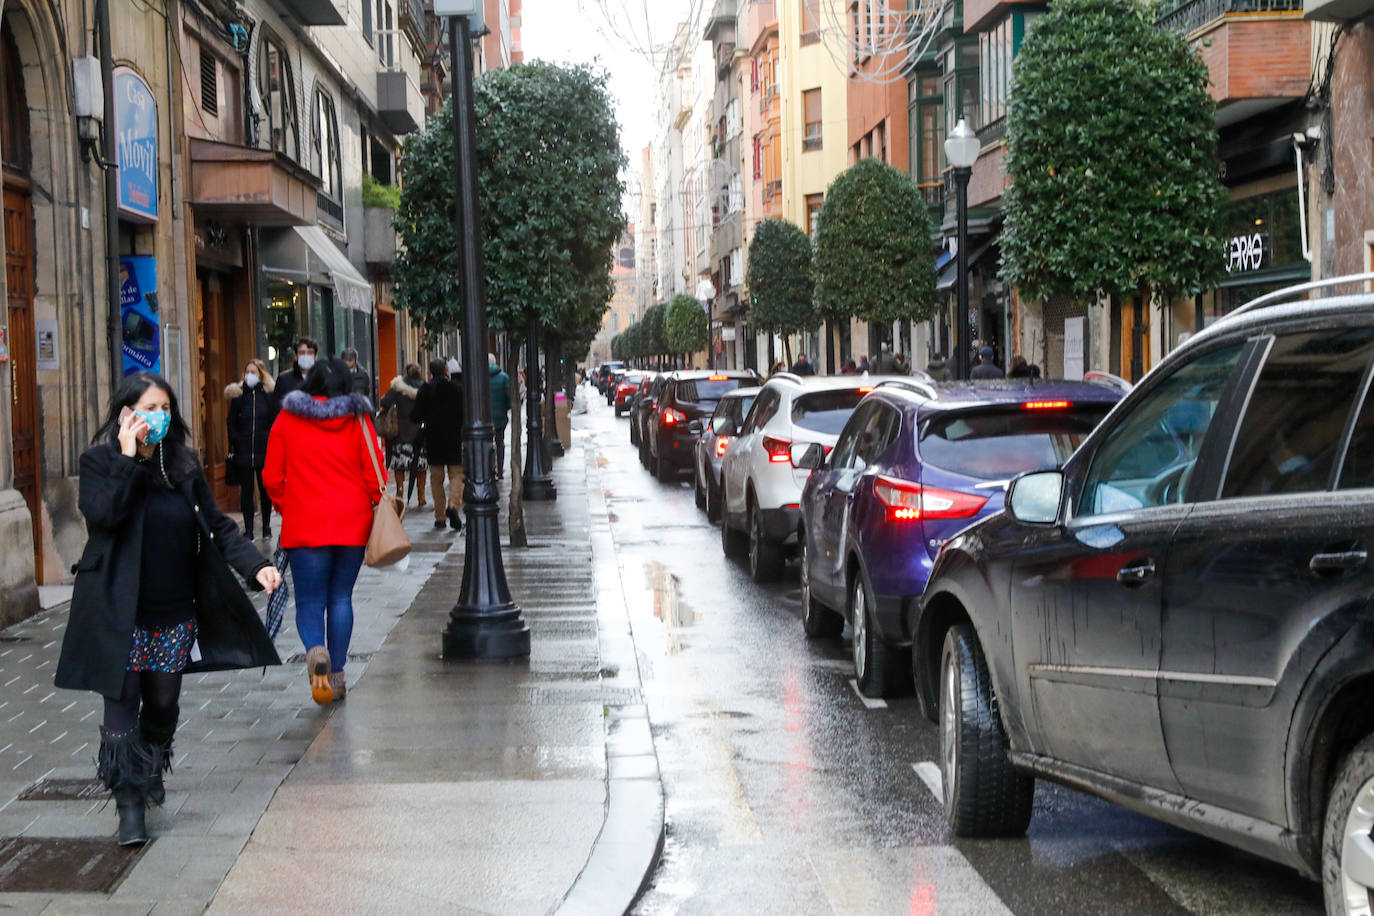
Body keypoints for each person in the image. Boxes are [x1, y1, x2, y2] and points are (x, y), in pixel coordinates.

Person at [55, 371, 281, 846]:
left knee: (162, 703)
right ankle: (129, 805)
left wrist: (255, 565)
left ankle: (151, 763)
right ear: (126, 415)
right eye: (149, 409)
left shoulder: (183, 465)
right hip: (118, 611)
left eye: (165, 409)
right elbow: (104, 516)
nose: (159, 418)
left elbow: (218, 526)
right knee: (121, 706)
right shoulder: (99, 462)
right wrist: (127, 458)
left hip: (173, 611)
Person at [264, 358, 383, 708]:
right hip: (352, 522)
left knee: (311, 602)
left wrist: (288, 504)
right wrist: (372, 504)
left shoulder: (287, 419)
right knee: (341, 598)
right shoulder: (359, 420)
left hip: (305, 523)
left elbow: (272, 476)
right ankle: (338, 675)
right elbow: (375, 475)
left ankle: (316, 652)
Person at [225, 358, 276, 540]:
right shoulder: (239, 396)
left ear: (260, 374)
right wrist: (236, 440)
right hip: (244, 451)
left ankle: (267, 526)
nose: (249, 375)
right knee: (246, 492)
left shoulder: (268, 396)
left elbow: (274, 421)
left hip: (264, 450)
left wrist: (269, 439)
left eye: (253, 372)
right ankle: (248, 529)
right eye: (247, 372)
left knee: (265, 491)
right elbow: (231, 422)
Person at [412, 358, 465, 532]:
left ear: (430, 372)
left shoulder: (425, 389)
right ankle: (453, 505)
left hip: (433, 439)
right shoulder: (456, 389)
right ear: (446, 371)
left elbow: (416, 416)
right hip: (454, 438)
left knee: (436, 479)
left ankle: (440, 517)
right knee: (457, 474)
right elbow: (464, 413)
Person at [378, 363, 427, 508]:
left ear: (406, 372)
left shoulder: (398, 386)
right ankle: (421, 496)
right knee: (420, 465)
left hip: (401, 430)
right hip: (420, 431)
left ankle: (400, 493)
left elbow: (385, 402)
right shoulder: (425, 386)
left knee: (399, 465)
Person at [272, 338, 318, 409]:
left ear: (315, 357)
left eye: (310, 353)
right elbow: (276, 409)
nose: (306, 356)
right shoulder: (284, 380)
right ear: (296, 356)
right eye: (302, 353)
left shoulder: (322, 379)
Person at [489, 353, 512, 479]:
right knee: (500, 442)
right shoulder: (504, 377)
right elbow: (508, 397)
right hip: (500, 417)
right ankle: (500, 470)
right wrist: (505, 409)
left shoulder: (479, 376)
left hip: (485, 418)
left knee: (487, 444)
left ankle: (490, 468)